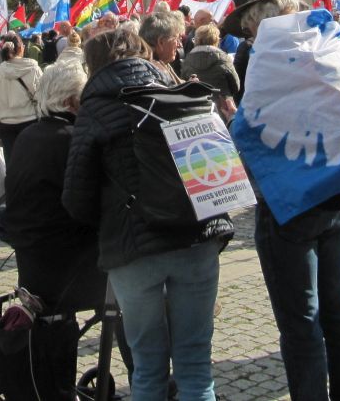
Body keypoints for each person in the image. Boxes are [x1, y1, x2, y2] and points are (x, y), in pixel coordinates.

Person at [63, 25, 233, 401]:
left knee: (148, 366)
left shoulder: (94, 108)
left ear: (93, 65)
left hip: (133, 248)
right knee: (195, 364)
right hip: (196, 237)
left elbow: (77, 198)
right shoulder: (182, 92)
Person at [223, 0, 340, 401]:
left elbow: (253, 128)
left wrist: (234, 124)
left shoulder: (270, 50)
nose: (247, 36)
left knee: (301, 319)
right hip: (336, 188)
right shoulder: (325, 35)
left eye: (247, 27)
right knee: (338, 308)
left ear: (256, 19)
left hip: (291, 200)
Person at [4, 53, 104, 310]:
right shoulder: (73, 141)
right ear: (73, 101)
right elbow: (90, 204)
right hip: (70, 268)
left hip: (32, 263)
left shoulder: (28, 135)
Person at [0, 33, 42, 163]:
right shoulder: (33, 69)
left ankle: (13, 183)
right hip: (30, 120)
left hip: (6, 124)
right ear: (21, 48)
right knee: (32, 163)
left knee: (12, 164)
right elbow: (42, 97)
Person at [179, 23, 238, 121]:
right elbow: (236, 85)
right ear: (216, 40)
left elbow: (184, 82)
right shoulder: (224, 58)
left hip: (196, 108)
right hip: (223, 107)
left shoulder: (187, 59)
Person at [138, 9, 186, 82]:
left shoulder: (161, 63)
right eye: (176, 39)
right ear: (161, 42)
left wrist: (190, 84)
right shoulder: (152, 72)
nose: (179, 45)